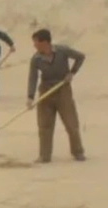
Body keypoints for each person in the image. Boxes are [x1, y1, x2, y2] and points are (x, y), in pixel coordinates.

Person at [27, 29, 86, 163]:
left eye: (36, 42)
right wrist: (30, 97)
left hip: (62, 89)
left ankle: (78, 152)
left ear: (45, 42)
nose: (34, 45)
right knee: (44, 125)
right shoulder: (36, 59)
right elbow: (33, 78)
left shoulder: (62, 51)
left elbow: (80, 57)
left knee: (71, 123)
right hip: (46, 91)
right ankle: (44, 156)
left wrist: (72, 73)